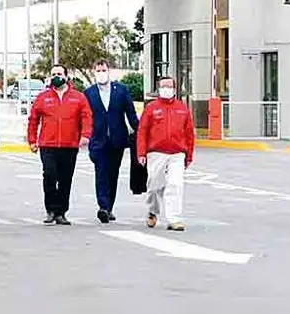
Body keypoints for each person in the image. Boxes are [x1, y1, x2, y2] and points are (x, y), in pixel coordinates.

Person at [26, 64, 92, 226]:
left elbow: (86, 117)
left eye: (60, 73)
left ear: (66, 77)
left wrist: (85, 135)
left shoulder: (78, 98)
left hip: (69, 145)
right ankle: (50, 210)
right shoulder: (43, 98)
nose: (57, 76)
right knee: (49, 176)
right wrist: (32, 140)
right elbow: (33, 120)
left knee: (65, 179)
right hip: (48, 145)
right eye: (53, 73)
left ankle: (61, 212)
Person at [84, 59, 140, 224]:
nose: (101, 73)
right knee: (101, 172)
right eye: (98, 70)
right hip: (98, 140)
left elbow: (131, 114)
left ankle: (109, 207)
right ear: (94, 72)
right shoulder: (89, 93)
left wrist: (141, 131)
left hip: (117, 139)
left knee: (112, 174)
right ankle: (103, 206)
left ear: (109, 71)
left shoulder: (121, 91)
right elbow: (84, 117)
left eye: (104, 69)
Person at [137, 76, 195, 232]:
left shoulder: (182, 108)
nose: (166, 89)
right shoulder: (151, 108)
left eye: (169, 86)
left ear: (175, 89)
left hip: (177, 153)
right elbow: (142, 131)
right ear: (158, 89)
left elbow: (189, 133)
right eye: (163, 86)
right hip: (155, 153)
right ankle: (152, 211)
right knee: (154, 186)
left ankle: (174, 218)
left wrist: (189, 155)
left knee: (175, 184)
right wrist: (141, 153)